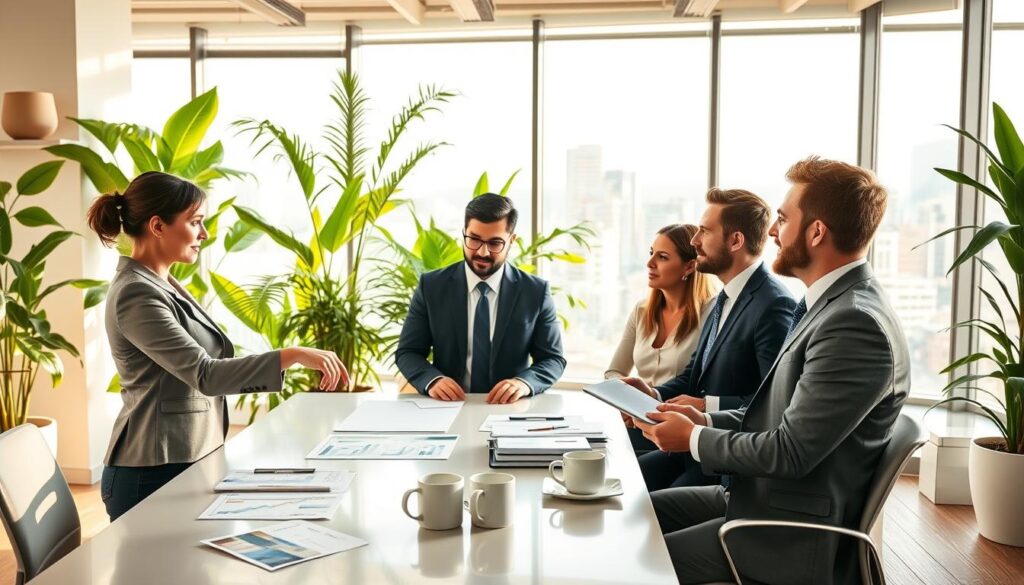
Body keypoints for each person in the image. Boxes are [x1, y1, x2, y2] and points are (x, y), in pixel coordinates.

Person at [636, 157, 909, 585]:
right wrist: (703, 419)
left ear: (817, 232)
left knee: (638, 563)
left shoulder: (853, 323)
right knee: (634, 511)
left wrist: (693, 438)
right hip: (759, 499)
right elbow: (782, 415)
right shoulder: (827, 304)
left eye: (782, 219)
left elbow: (791, 452)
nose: (773, 232)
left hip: (786, 532)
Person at [88, 171, 348, 521]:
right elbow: (204, 374)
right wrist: (292, 356)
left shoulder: (163, 283)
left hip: (188, 458)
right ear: (157, 226)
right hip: (150, 474)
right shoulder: (136, 293)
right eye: (195, 222)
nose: (204, 234)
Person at [623, 189, 796, 489]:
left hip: (726, 463)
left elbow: (772, 404)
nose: (694, 241)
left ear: (735, 241)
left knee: (640, 506)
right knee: (624, 482)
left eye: (704, 231)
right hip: (690, 450)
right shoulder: (722, 299)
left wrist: (705, 405)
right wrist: (653, 395)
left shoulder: (773, 304)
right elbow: (693, 375)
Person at [395, 193, 566, 403]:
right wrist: (433, 381)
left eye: (495, 243)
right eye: (474, 240)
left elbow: (553, 359)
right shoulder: (431, 287)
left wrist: (523, 383)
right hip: (447, 408)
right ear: (464, 234)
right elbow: (408, 352)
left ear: (511, 240)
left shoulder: (536, 292)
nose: (482, 252)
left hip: (509, 410)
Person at [604, 224, 715, 452]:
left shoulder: (712, 313)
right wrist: (626, 403)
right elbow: (614, 372)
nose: (650, 263)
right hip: (637, 423)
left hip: (677, 432)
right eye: (651, 253)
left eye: (662, 257)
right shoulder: (642, 311)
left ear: (689, 266)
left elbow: (700, 386)